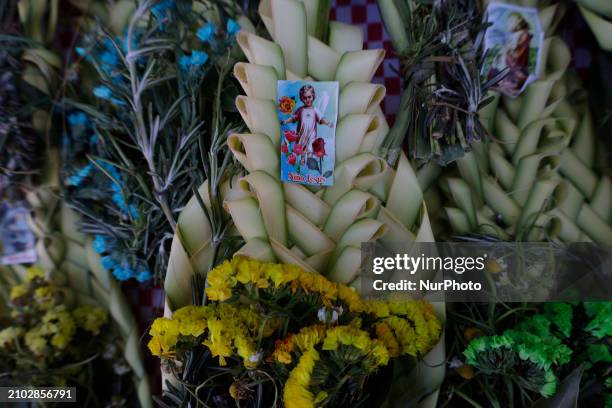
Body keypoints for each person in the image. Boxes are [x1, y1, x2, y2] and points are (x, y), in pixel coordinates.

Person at [281, 85, 333, 164]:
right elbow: (293, 118)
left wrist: (328, 123)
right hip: (301, 133)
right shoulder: (300, 110)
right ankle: (302, 158)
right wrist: (286, 121)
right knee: (300, 145)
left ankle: (309, 159)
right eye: (305, 98)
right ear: (301, 99)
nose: (307, 100)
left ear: (313, 97)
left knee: (310, 147)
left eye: (309, 97)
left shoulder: (315, 110)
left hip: (311, 134)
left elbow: (321, 119)